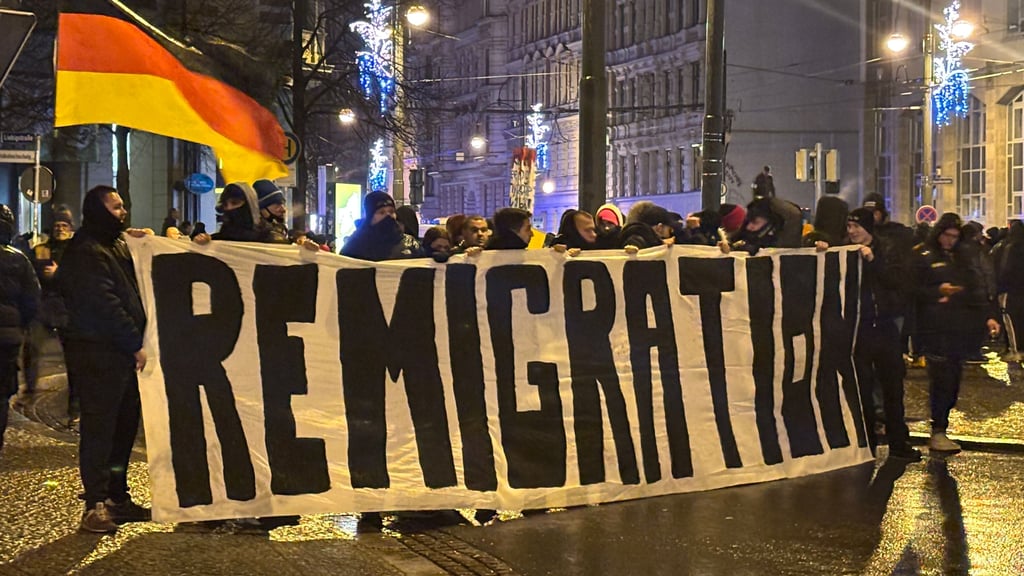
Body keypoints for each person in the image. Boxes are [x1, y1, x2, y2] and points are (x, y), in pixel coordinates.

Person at [60, 185, 151, 532]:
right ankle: (95, 504)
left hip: (119, 357)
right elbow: (106, 305)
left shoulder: (113, 246)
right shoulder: (87, 251)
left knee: (123, 429)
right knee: (100, 431)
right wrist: (133, 342)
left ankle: (117, 496)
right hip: (98, 356)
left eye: (123, 206)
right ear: (97, 211)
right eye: (115, 208)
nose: (122, 212)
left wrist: (145, 241)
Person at [913, 213, 1001, 453]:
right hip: (935, 328)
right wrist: (936, 292)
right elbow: (912, 289)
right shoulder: (924, 255)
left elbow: (975, 289)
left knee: (952, 381)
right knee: (941, 380)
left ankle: (942, 427)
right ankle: (938, 430)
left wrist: (988, 316)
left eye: (954, 236)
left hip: (959, 328)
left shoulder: (962, 258)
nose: (949, 240)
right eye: (946, 235)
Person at [846, 208, 921, 461]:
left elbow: (897, 280)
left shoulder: (887, 250)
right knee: (862, 390)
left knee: (892, 388)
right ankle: (867, 446)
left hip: (886, 328)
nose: (852, 232)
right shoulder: (845, 253)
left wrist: (873, 260)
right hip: (861, 331)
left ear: (868, 228)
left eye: (856, 227)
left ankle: (899, 443)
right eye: (849, 227)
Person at [23, 208, 76, 420]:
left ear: (71, 229)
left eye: (64, 226)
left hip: (67, 308)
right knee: (31, 349)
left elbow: (81, 277)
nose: (60, 229)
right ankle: (29, 390)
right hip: (44, 307)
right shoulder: (41, 249)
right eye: (57, 226)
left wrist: (59, 274)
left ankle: (75, 403)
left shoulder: (76, 251)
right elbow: (31, 274)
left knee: (73, 358)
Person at [0, 205, 40, 455]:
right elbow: (32, 300)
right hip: (7, 339)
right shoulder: (19, 259)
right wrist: (20, 325)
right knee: (2, 392)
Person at [341, 191, 421, 261]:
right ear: (370, 216)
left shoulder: (410, 244)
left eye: (391, 211)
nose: (388, 216)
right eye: (381, 212)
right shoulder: (355, 245)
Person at [252, 179, 291, 244]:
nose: (283, 209)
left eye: (283, 204)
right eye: (277, 205)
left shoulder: (279, 230)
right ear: (262, 209)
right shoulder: (255, 234)